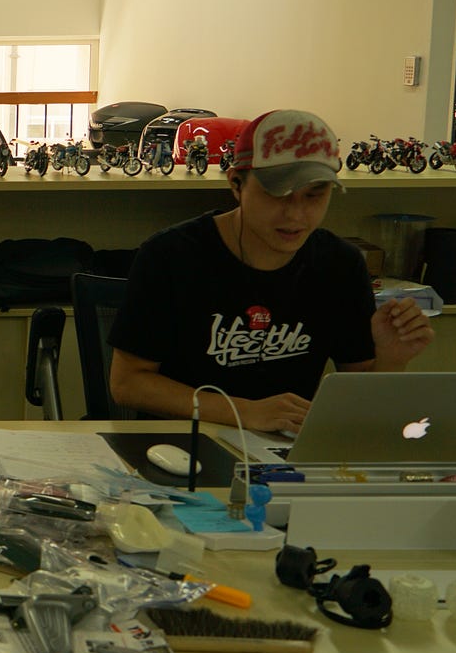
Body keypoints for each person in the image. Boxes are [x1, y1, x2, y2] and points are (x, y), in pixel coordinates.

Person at [109, 108, 434, 432]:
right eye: (277, 195)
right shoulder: (172, 255)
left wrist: (392, 359)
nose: (295, 215)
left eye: (314, 195)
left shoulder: (339, 264)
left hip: (286, 448)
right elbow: (128, 384)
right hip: (181, 445)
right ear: (236, 184)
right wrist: (243, 412)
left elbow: (359, 395)